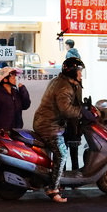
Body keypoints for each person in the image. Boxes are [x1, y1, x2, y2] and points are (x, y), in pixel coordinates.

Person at [32, 57, 85, 203]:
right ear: (73, 72)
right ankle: (53, 189)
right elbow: (66, 110)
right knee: (61, 154)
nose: (81, 74)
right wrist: (82, 112)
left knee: (58, 153)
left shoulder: (63, 81)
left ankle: (55, 181)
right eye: (79, 71)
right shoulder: (64, 87)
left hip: (48, 122)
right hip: (49, 125)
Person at [0, 67, 31, 134]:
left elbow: (25, 105)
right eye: (13, 78)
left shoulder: (15, 92)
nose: (15, 80)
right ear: (5, 80)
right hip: (3, 133)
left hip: (17, 131)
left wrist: (23, 90)